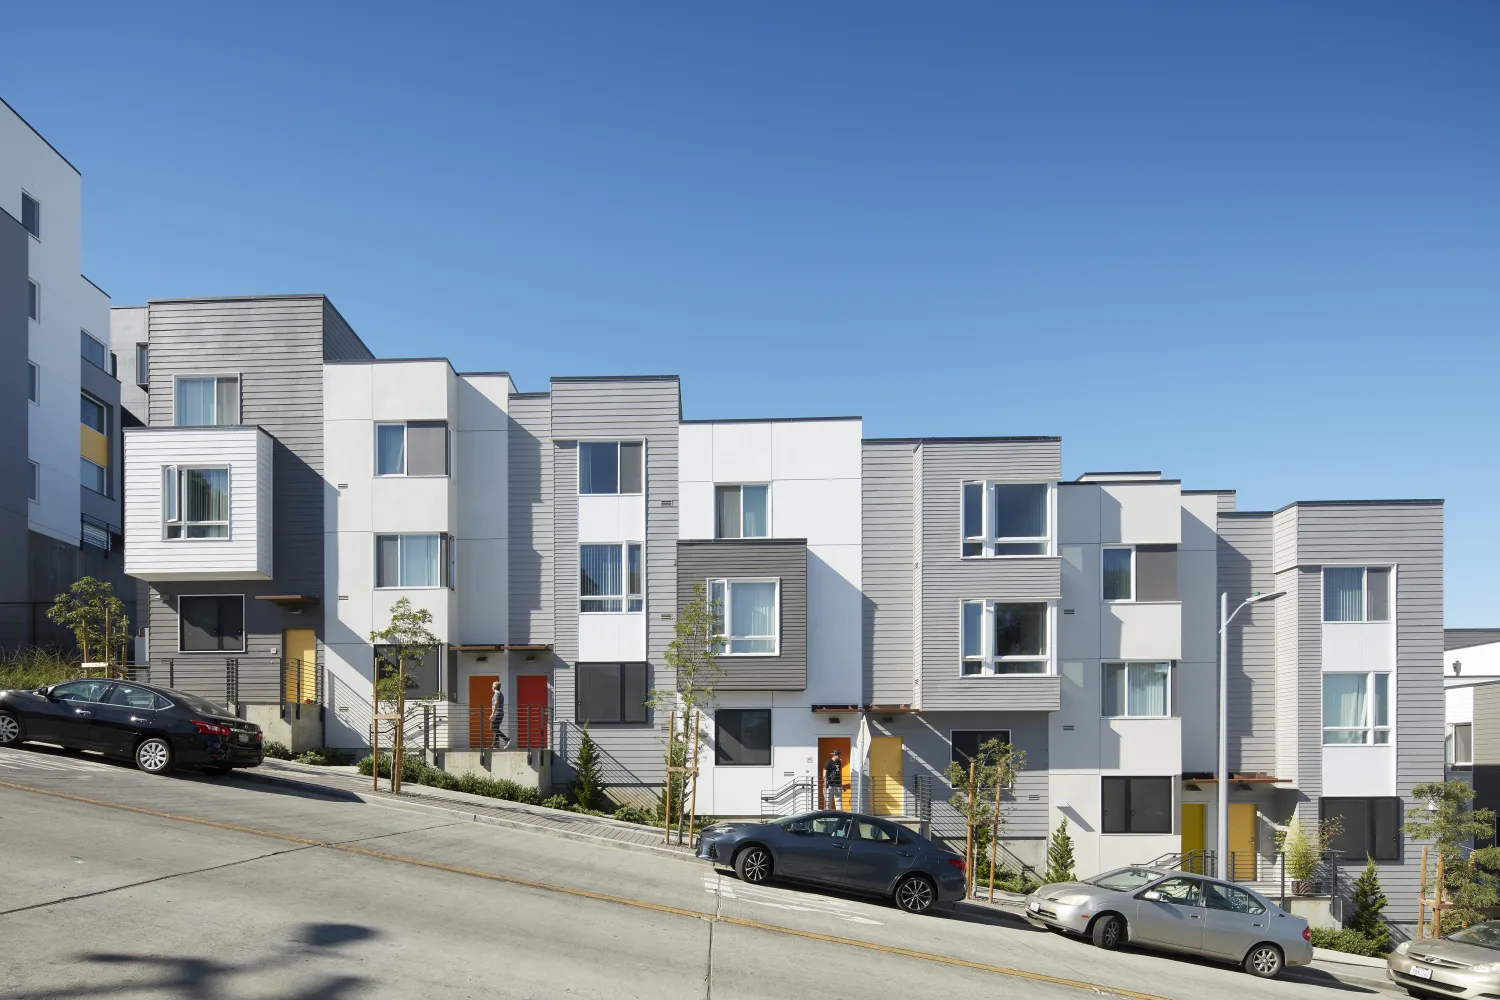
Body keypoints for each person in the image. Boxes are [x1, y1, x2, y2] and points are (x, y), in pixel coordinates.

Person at [489, 681, 510, 749]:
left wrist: (492, 714)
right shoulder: (500, 694)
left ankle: (506, 739)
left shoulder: (497, 694)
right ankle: (495, 745)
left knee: (492, 727)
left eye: (492, 686)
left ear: (494, 687)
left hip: (497, 714)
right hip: (500, 714)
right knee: (496, 728)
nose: (491, 687)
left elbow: (496, 703)